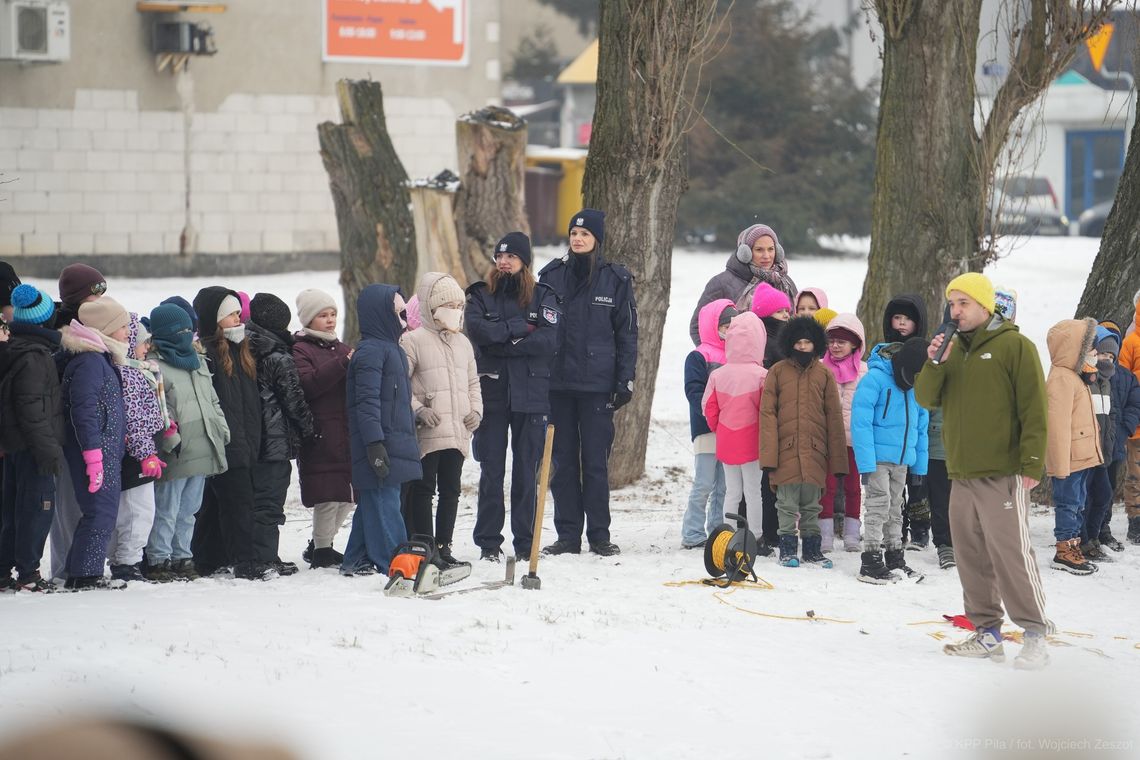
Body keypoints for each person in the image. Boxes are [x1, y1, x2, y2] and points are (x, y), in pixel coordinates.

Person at [916, 273, 1051, 669]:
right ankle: (987, 632)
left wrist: (1031, 463)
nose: (955, 311)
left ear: (984, 305)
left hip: (1003, 471)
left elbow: (1034, 410)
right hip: (961, 473)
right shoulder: (951, 350)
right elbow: (926, 397)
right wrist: (934, 362)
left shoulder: (1015, 346)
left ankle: (1035, 633)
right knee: (970, 555)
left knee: (1011, 555)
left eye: (963, 304)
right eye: (952, 304)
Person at [539, 209, 637, 557]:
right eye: (573, 233)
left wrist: (624, 379)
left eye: (584, 234)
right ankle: (567, 536)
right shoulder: (551, 276)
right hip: (558, 386)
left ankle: (599, 535)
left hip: (597, 387)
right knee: (562, 462)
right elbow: (539, 327)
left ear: (597, 239)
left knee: (595, 462)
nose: (577, 239)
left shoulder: (616, 280)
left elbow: (627, 334)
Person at [466, 233, 561, 562]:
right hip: (492, 392)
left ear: (524, 261)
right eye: (500, 256)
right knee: (491, 470)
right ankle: (488, 542)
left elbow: (549, 341)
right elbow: (478, 332)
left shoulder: (543, 296)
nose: (504, 261)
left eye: (512, 256)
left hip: (531, 395)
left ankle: (525, 543)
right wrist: (519, 329)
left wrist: (504, 341)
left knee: (526, 470)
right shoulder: (480, 295)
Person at [400, 272, 482, 563]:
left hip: (458, 429)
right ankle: (425, 545)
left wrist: (476, 411)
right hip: (429, 431)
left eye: (460, 307)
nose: (456, 312)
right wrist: (418, 409)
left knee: (452, 491)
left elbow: (473, 383)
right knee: (424, 490)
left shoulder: (463, 343)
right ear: (431, 308)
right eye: (449, 306)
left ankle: (444, 545)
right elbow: (400, 385)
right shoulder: (412, 341)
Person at [145, 303, 230, 582]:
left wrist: (221, 429)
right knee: (167, 509)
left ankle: (182, 556)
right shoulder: (156, 367)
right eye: (178, 331)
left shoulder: (199, 362)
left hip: (204, 446)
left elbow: (212, 400)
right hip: (177, 450)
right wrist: (169, 437)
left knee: (190, 510)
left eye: (188, 330)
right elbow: (157, 408)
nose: (185, 335)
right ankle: (159, 558)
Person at [341, 284, 422, 576]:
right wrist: (374, 443)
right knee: (384, 502)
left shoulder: (393, 350)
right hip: (379, 442)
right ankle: (396, 560)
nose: (404, 321)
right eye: (398, 314)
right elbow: (367, 402)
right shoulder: (371, 352)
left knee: (376, 501)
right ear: (381, 315)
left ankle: (355, 558)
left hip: (395, 440)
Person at [191, 287, 268, 581]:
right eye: (232, 314)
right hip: (226, 442)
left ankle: (207, 556)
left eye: (238, 312)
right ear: (216, 319)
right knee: (238, 502)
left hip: (246, 440)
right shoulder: (209, 354)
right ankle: (245, 560)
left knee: (216, 503)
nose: (239, 318)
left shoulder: (241, 350)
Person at [759, 315, 848, 568]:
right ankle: (787, 549)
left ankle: (812, 550)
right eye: (798, 342)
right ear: (789, 343)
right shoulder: (776, 372)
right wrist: (768, 456)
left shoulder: (824, 375)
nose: (802, 347)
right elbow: (767, 415)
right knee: (785, 505)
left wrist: (838, 460)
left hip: (815, 453)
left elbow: (833, 416)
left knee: (812, 505)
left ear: (816, 344)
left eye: (807, 342)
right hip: (785, 454)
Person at [59, 298, 130, 590]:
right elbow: (83, 410)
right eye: (123, 325)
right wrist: (92, 455)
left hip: (107, 448)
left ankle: (80, 571)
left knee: (102, 511)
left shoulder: (99, 358)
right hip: (95, 451)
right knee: (99, 511)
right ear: (107, 328)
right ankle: (85, 575)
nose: (127, 331)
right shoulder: (89, 362)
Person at [248, 293, 317, 576]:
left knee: (258, 499)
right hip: (275, 437)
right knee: (270, 500)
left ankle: (260, 554)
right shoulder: (278, 355)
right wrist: (310, 428)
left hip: (253, 435)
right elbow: (294, 399)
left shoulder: (247, 346)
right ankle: (265, 557)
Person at [0, 285, 64, 592]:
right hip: (33, 447)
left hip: (14, 446)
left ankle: (4, 570)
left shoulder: (16, 349)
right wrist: (48, 449)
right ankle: (28, 573)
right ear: (44, 320)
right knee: (37, 510)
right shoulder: (35, 357)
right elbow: (31, 409)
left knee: (12, 510)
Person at [851, 337, 930, 583]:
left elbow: (921, 428)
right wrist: (865, 463)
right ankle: (871, 559)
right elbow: (860, 423)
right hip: (877, 459)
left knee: (897, 507)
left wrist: (919, 466)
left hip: (902, 459)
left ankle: (895, 556)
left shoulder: (916, 389)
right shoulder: (874, 380)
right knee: (878, 505)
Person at [47, 263, 108, 580]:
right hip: (67, 433)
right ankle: (64, 568)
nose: (101, 300)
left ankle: (77, 565)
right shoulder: (63, 334)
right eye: (94, 292)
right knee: (69, 504)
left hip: (92, 433)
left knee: (86, 505)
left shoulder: (96, 327)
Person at [292, 289, 355, 569]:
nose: (330, 321)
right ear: (308, 319)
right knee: (327, 496)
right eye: (322, 316)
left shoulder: (341, 348)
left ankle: (322, 543)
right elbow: (309, 384)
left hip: (345, 432)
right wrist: (343, 364)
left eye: (332, 315)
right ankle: (322, 550)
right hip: (321, 433)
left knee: (347, 496)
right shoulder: (301, 349)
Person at [106, 313, 170, 583]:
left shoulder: (139, 370)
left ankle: (126, 560)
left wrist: (165, 422)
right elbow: (134, 420)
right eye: (144, 342)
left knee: (133, 511)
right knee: (137, 512)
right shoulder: (129, 374)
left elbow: (148, 412)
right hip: (136, 455)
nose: (148, 348)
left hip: (141, 449)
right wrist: (147, 454)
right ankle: (127, 563)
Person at [1045, 317, 1103, 576]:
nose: (1094, 354)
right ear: (1074, 349)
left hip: (1079, 457)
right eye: (1089, 348)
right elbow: (1056, 426)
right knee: (1068, 503)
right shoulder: (1061, 379)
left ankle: (1074, 545)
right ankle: (1064, 550)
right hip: (1067, 460)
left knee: (1077, 502)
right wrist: (1059, 465)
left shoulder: (1074, 376)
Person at [702, 311, 767, 543]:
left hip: (727, 441)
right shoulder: (762, 376)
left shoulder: (718, 375)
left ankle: (727, 535)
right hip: (753, 442)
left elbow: (708, 407)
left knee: (731, 492)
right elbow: (767, 411)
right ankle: (756, 536)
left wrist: (719, 428)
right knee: (753, 493)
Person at [679, 299, 736, 548]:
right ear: (713, 326)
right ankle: (692, 532)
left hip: (731, 430)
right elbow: (693, 391)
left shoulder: (736, 356)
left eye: (734, 325)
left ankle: (717, 530)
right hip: (705, 428)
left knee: (724, 484)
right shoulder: (698, 356)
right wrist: (713, 414)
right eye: (725, 325)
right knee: (704, 482)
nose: (730, 330)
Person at [688, 223, 796, 345]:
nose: (767, 256)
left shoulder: (786, 283)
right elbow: (698, 326)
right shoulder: (721, 284)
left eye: (771, 249)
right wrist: (718, 359)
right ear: (745, 253)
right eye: (759, 250)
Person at [882, 293, 933, 549]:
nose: (901, 323)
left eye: (908, 319)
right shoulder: (882, 353)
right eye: (897, 318)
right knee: (893, 488)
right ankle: (895, 529)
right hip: (891, 431)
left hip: (917, 427)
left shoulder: (925, 355)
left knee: (918, 482)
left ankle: (921, 529)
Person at [819, 313, 868, 552]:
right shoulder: (820, 369)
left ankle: (851, 533)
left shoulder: (864, 372)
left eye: (842, 341)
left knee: (852, 488)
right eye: (831, 341)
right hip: (827, 441)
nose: (835, 346)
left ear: (856, 344)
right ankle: (825, 534)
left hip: (853, 441)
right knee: (826, 487)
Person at [1080, 326, 1128, 562]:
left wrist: (1109, 439)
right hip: (1085, 451)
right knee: (1086, 497)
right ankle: (1083, 541)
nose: (1106, 360)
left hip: (1103, 451)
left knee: (1103, 495)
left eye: (1111, 357)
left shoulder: (1106, 381)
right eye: (1102, 355)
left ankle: (1092, 536)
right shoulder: (1084, 379)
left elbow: (1111, 415)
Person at [1094, 321, 1140, 551]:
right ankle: (1087, 531)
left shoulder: (1126, 377)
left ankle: (1104, 528)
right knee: (1090, 488)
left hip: (1116, 444)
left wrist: (1124, 431)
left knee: (1108, 488)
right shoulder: (1090, 373)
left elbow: (1134, 405)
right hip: (1091, 442)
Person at [1116, 289, 1140, 543]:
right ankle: (1136, 523)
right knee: (1135, 474)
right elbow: (1122, 381)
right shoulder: (1131, 341)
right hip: (1137, 423)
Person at [751, 282, 792, 369]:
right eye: (779, 311)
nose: (786, 315)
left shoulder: (789, 337)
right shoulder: (761, 342)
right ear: (765, 315)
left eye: (787, 311)